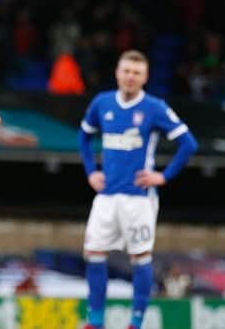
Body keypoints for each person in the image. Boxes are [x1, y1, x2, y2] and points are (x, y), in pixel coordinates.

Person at [79, 50, 198, 329]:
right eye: (126, 71)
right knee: (93, 252)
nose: (130, 77)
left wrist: (163, 176)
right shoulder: (102, 103)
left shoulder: (155, 107)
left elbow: (188, 143)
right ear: (117, 73)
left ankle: (136, 323)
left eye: (136, 72)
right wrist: (90, 172)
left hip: (139, 197)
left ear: (145, 77)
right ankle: (95, 322)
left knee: (140, 257)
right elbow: (84, 136)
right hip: (106, 195)